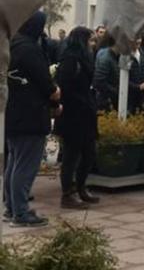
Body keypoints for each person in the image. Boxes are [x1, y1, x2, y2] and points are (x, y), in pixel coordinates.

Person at [5, 11, 60, 227]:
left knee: (14, 163)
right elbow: (48, 86)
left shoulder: (10, 45)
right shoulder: (30, 50)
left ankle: (11, 208)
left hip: (11, 115)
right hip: (31, 117)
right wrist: (56, 97)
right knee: (25, 166)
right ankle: (20, 212)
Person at [55, 27, 100, 209]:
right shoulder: (70, 58)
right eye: (90, 41)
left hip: (86, 112)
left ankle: (81, 186)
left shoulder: (86, 58)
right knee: (71, 155)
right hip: (73, 114)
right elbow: (64, 86)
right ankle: (68, 193)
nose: (93, 44)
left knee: (89, 152)